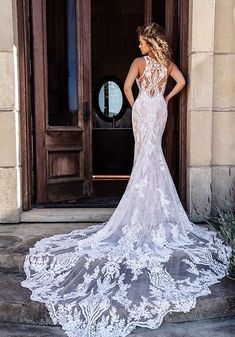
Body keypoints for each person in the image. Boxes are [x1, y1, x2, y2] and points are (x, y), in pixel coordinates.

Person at [21, 23, 231, 337]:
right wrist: (165, 98)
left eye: (142, 42)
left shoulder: (138, 64)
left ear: (150, 42)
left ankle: (142, 205)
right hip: (159, 107)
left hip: (145, 108)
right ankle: (152, 207)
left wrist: (137, 106)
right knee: (153, 152)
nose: (139, 47)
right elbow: (182, 82)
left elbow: (126, 88)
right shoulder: (167, 64)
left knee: (144, 154)